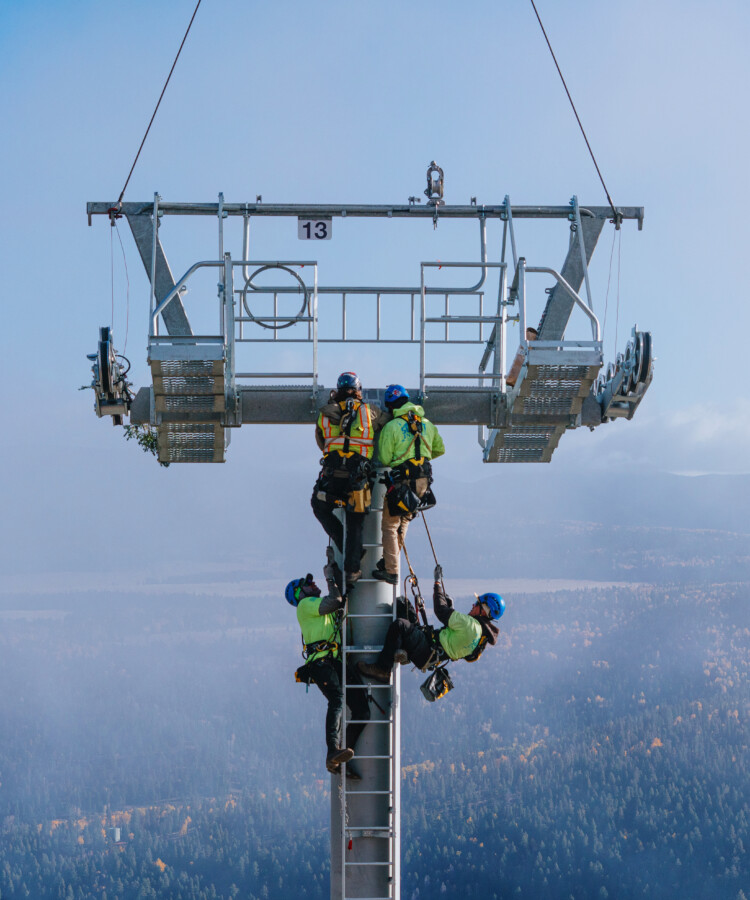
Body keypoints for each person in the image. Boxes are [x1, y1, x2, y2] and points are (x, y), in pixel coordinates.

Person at [286, 558, 371, 776]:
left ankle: (342, 755)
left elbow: (337, 604)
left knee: (362, 709)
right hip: (320, 663)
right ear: (299, 594)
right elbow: (334, 601)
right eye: (307, 584)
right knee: (337, 699)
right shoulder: (305, 606)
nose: (313, 584)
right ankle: (332, 752)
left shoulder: (316, 607)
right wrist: (330, 577)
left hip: (333, 661)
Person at [358, 566, 504, 681]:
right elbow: (455, 638)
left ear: (484, 611)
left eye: (477, 604)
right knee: (403, 605)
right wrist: (451, 609)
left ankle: (383, 669)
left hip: (426, 648)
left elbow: (440, 610)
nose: (473, 605)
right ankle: (403, 649)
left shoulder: (471, 625)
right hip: (430, 651)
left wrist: (437, 583)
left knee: (400, 625)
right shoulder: (479, 637)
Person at [312, 372, 384, 591]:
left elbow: (321, 441)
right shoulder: (370, 412)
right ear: (358, 390)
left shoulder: (324, 414)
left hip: (332, 477)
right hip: (358, 478)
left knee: (319, 506)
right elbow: (384, 425)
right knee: (356, 518)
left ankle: (346, 546)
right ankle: (353, 568)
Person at [372, 385, 445, 586]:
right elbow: (440, 449)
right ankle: (390, 559)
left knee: (390, 525)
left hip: (402, 483)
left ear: (390, 406)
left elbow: (385, 458)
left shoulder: (392, 426)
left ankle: (391, 570)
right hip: (423, 483)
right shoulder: (427, 424)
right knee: (403, 522)